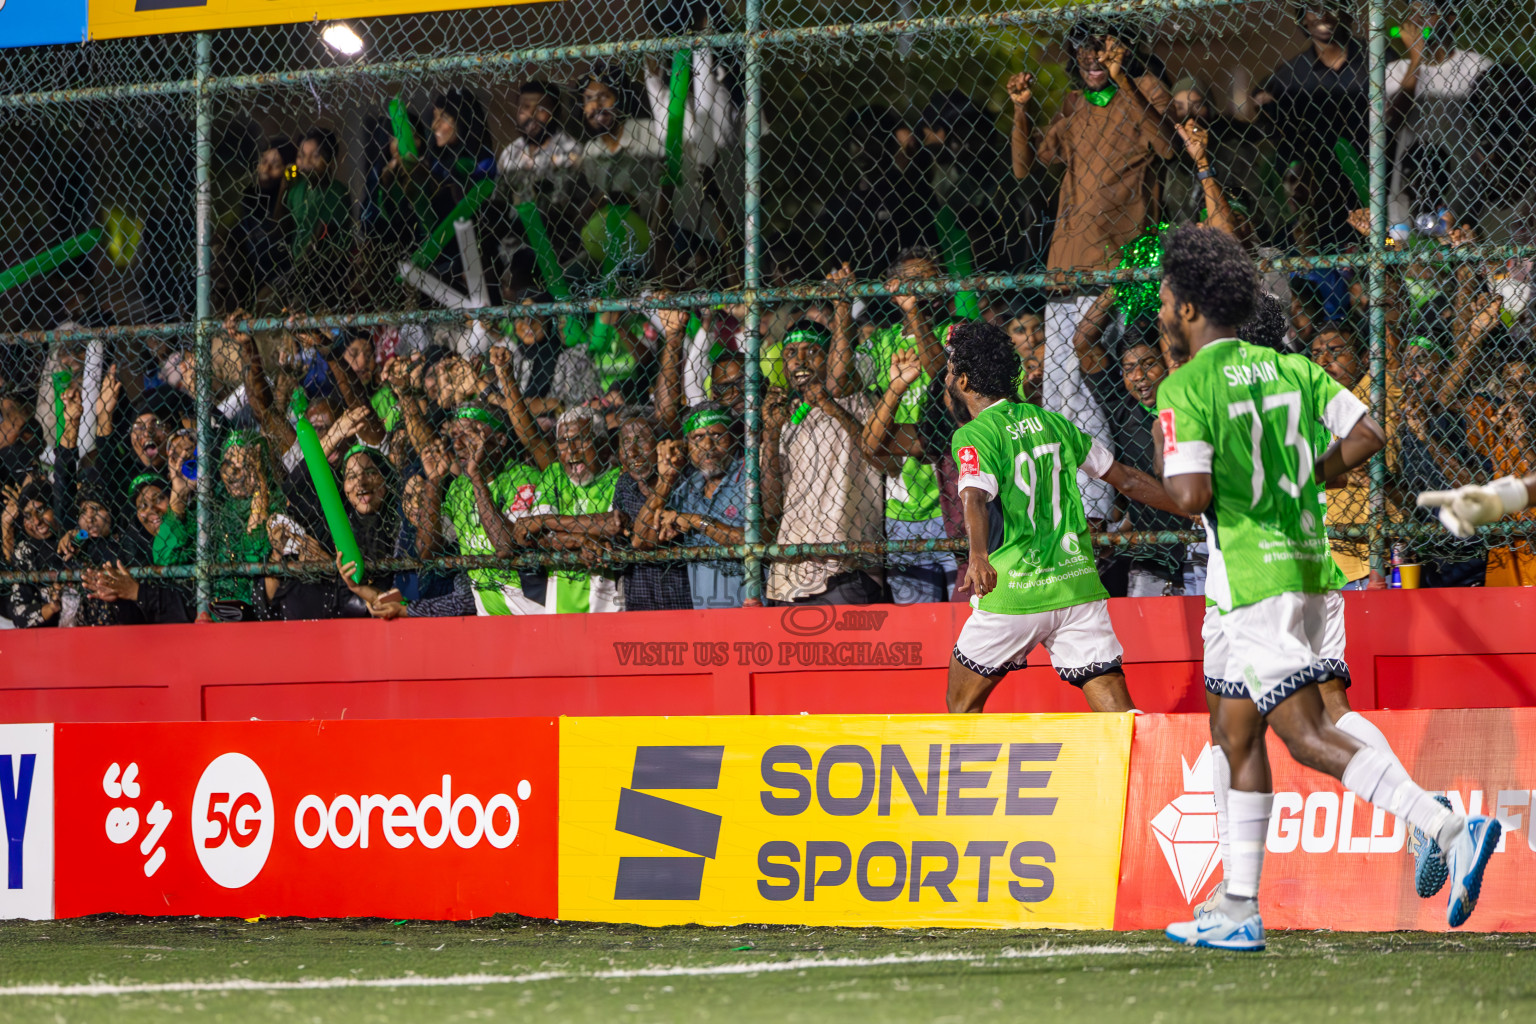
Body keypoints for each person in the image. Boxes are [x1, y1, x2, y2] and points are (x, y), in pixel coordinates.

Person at [1154, 226, 1497, 949]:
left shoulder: (1185, 385)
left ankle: (1445, 825)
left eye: (1162, 295)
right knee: (1231, 729)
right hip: (1307, 563)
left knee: (1306, 734)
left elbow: (1186, 494)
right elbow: (1370, 434)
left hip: (1254, 575)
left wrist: (1178, 455)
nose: (1158, 305)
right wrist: (1300, 480)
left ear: (1187, 308)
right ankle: (1238, 908)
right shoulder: (1292, 370)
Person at [944, 320, 1186, 712]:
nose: (948, 379)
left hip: (1015, 591)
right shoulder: (1053, 422)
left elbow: (972, 496)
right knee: (1117, 711)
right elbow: (1125, 478)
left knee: (961, 705)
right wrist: (1189, 508)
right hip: (1076, 585)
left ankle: (975, 774)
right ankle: (1144, 771)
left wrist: (978, 556)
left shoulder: (974, 434)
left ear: (966, 382)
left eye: (951, 373)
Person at [1007, 24, 1171, 519]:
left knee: (1102, 385)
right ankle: (1086, 500)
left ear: (1121, 50)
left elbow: (1166, 147)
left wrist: (1124, 78)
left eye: (1102, 49)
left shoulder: (1145, 91)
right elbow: (1024, 166)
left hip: (1119, 268)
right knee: (1061, 391)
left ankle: (1106, 507)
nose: (1092, 58)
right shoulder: (1074, 103)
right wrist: (1021, 108)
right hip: (1066, 267)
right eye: (1082, 51)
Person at [761, 321, 883, 605]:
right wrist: (770, 434)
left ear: (832, 357)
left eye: (811, 351)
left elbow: (879, 454)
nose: (799, 361)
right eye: (791, 353)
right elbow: (771, 505)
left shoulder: (859, 402)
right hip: (791, 570)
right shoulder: (787, 416)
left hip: (847, 564)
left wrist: (834, 408)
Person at [1243, 5, 1368, 251]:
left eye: (1331, 5)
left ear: (1346, 12)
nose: (1322, 15)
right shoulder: (1293, 73)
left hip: (1373, 183)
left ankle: (1388, 258)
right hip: (1322, 196)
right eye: (1313, 8)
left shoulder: (1374, 56)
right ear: (1303, 19)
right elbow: (1265, 106)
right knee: (1332, 258)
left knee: (1387, 241)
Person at [1385, 0, 1492, 237]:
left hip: (1461, 202)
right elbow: (1390, 122)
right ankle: (1394, 251)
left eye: (1427, 11)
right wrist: (1416, 60)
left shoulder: (1477, 67)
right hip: (1403, 208)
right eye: (1413, 12)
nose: (1418, 20)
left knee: (1457, 263)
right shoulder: (1395, 71)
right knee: (1393, 250)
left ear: (1450, 17)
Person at [512, 406, 625, 613]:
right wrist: (582, 540)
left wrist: (547, 520)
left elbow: (612, 525)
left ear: (602, 443)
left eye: (581, 440)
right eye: (563, 442)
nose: (571, 451)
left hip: (608, 607)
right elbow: (537, 535)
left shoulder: (619, 478)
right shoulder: (555, 474)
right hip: (559, 609)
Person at [634, 402, 747, 609]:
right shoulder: (690, 487)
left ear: (733, 437)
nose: (707, 446)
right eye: (698, 438)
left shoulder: (749, 477)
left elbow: (753, 540)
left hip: (750, 613)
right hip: (705, 619)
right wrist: (665, 480)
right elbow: (641, 541)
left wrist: (694, 520)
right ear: (687, 445)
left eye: (716, 435)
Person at [612, 415, 692, 611]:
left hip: (682, 599)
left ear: (660, 445)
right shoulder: (624, 485)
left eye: (642, 440)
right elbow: (630, 540)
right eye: (627, 442)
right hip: (640, 599)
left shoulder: (685, 482)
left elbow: (640, 538)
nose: (633, 452)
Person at [285, 127, 352, 310]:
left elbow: (321, 236)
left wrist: (295, 276)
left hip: (326, 272)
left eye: (314, 156)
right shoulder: (297, 190)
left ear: (330, 162)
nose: (306, 162)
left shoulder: (337, 193)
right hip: (297, 267)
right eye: (301, 155)